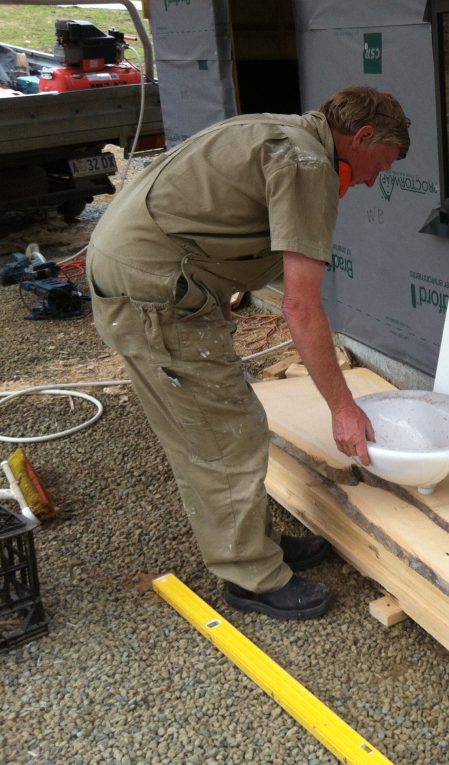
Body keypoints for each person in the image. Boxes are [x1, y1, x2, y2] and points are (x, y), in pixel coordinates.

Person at [86, 86, 410, 619]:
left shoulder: (284, 133)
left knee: (226, 422)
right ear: (364, 137)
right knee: (223, 434)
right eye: (382, 163)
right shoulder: (309, 164)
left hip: (145, 274)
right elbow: (301, 309)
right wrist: (343, 408)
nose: (376, 179)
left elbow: (214, 210)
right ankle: (250, 578)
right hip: (153, 293)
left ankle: (257, 544)